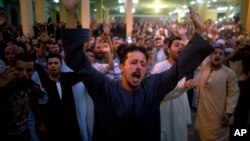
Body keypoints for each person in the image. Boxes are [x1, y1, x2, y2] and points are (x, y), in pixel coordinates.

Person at [61, 0, 213, 140]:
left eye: (142, 63)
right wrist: (71, 13)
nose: (139, 66)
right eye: (133, 62)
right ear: (121, 67)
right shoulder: (105, 88)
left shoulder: (153, 87)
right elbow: (78, 62)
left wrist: (199, 31)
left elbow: (179, 69)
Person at [152, 37, 195, 141]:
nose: (180, 47)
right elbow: (159, 94)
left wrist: (188, 118)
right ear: (168, 50)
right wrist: (183, 86)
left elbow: (183, 96)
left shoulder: (182, 68)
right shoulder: (159, 67)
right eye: (176, 45)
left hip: (180, 116)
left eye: (182, 46)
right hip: (164, 116)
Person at [194, 45, 239, 141]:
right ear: (210, 56)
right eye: (214, 53)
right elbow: (197, 50)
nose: (217, 55)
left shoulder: (229, 74)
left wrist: (228, 113)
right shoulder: (205, 66)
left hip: (218, 117)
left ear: (224, 58)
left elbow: (233, 95)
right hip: (203, 116)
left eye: (221, 54)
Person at [0, 53, 46, 141]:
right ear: (12, 68)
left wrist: (41, 122)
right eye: (19, 69)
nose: (24, 74)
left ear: (33, 71)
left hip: (24, 134)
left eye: (29, 70)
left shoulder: (32, 85)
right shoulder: (4, 85)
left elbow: (36, 106)